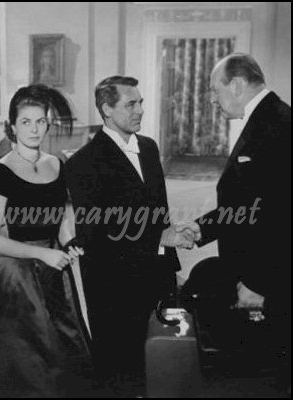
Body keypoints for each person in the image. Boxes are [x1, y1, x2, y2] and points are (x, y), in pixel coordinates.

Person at [0, 84, 93, 398]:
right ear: (12, 126)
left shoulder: (57, 165)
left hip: (55, 273)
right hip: (17, 278)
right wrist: (41, 255)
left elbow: (61, 224)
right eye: (26, 122)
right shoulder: (0, 172)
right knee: (24, 366)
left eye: (40, 121)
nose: (34, 129)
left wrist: (71, 244)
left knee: (66, 355)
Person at [65, 75, 197, 396]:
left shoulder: (149, 148)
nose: (140, 110)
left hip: (156, 273)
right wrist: (158, 239)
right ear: (107, 109)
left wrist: (170, 251)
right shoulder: (83, 163)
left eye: (140, 103)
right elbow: (95, 234)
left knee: (161, 359)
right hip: (113, 285)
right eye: (131, 104)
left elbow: (160, 212)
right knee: (120, 371)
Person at [185, 53, 291, 386]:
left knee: (268, 374)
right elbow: (249, 204)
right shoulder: (264, 118)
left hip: (266, 281)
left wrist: (261, 285)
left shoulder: (278, 125)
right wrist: (199, 228)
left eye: (215, 90)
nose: (212, 99)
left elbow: (281, 215)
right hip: (252, 272)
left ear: (237, 84)